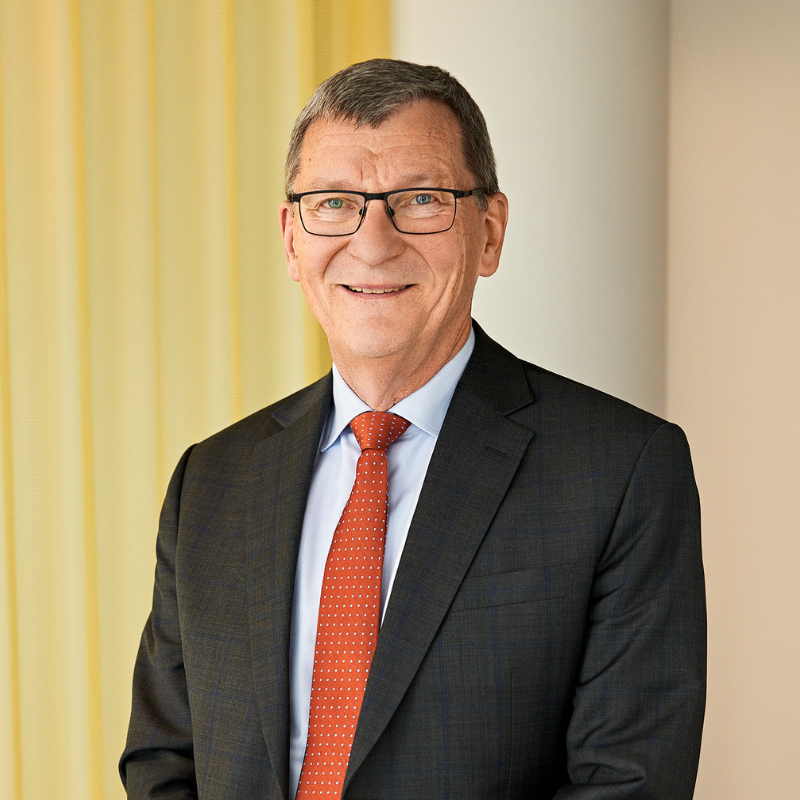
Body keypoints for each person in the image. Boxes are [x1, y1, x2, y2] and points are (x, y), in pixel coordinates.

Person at [120, 59, 706, 800]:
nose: (373, 242)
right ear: (292, 239)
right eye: (334, 203)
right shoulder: (211, 480)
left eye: (421, 199)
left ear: (489, 233)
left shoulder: (621, 470)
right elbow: (164, 762)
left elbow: (628, 784)